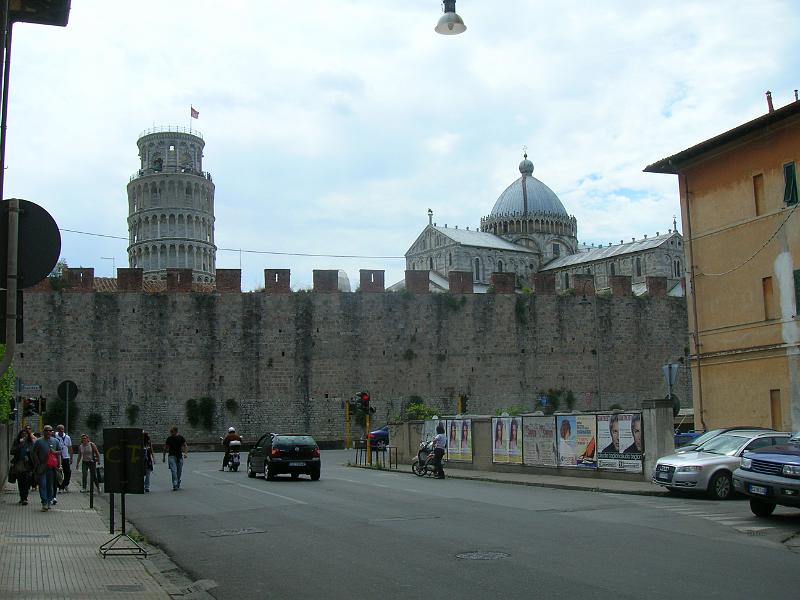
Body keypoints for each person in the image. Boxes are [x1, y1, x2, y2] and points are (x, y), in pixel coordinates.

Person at [31, 425, 62, 511]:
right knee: (42, 485)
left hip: (52, 467)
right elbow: (33, 452)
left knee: (50, 486)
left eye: (50, 430)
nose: (48, 432)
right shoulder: (38, 441)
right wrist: (37, 463)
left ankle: (49, 501)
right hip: (42, 467)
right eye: (47, 430)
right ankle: (44, 502)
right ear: (43, 432)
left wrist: (59, 464)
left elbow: (60, 452)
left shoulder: (56, 441)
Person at [9, 427, 35, 505]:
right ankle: (22, 497)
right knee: (20, 482)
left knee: (27, 482)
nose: (24, 435)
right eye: (22, 434)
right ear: (20, 435)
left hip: (28, 465)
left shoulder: (30, 442)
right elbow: (12, 452)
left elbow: (33, 453)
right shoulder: (17, 442)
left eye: (26, 434)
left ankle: (25, 498)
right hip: (19, 464)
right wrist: (20, 445)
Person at [162, 426, 188, 491]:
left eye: (172, 432)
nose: (171, 433)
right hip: (171, 456)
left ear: (176, 431)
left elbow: (185, 446)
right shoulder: (169, 438)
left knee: (179, 472)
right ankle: (175, 484)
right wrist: (164, 457)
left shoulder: (181, 438)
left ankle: (178, 481)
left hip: (179, 456)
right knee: (174, 471)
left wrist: (185, 453)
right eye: (170, 432)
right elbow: (165, 448)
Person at [54, 424, 73, 492]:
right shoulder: (55, 436)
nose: (61, 430)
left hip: (65, 456)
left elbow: (70, 448)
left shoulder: (67, 437)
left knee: (67, 472)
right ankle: (60, 487)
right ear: (57, 430)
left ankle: (65, 484)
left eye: (62, 429)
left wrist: (71, 457)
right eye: (59, 429)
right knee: (59, 473)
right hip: (58, 457)